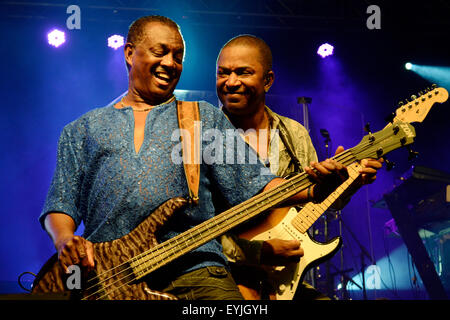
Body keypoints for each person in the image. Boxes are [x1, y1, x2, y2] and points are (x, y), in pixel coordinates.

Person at [38, 15, 350, 300]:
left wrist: (313, 189)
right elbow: (61, 203)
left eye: (178, 56)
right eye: (160, 52)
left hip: (196, 269)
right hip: (108, 275)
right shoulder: (81, 129)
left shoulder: (203, 119)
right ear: (130, 53)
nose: (170, 63)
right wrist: (65, 239)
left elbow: (257, 184)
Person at [216, 34, 383, 300]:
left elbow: (321, 201)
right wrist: (258, 253)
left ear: (268, 80)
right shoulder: (202, 135)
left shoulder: (294, 134)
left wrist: (350, 183)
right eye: (223, 73)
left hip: (281, 280)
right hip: (222, 277)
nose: (231, 82)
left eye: (243, 72)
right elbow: (192, 227)